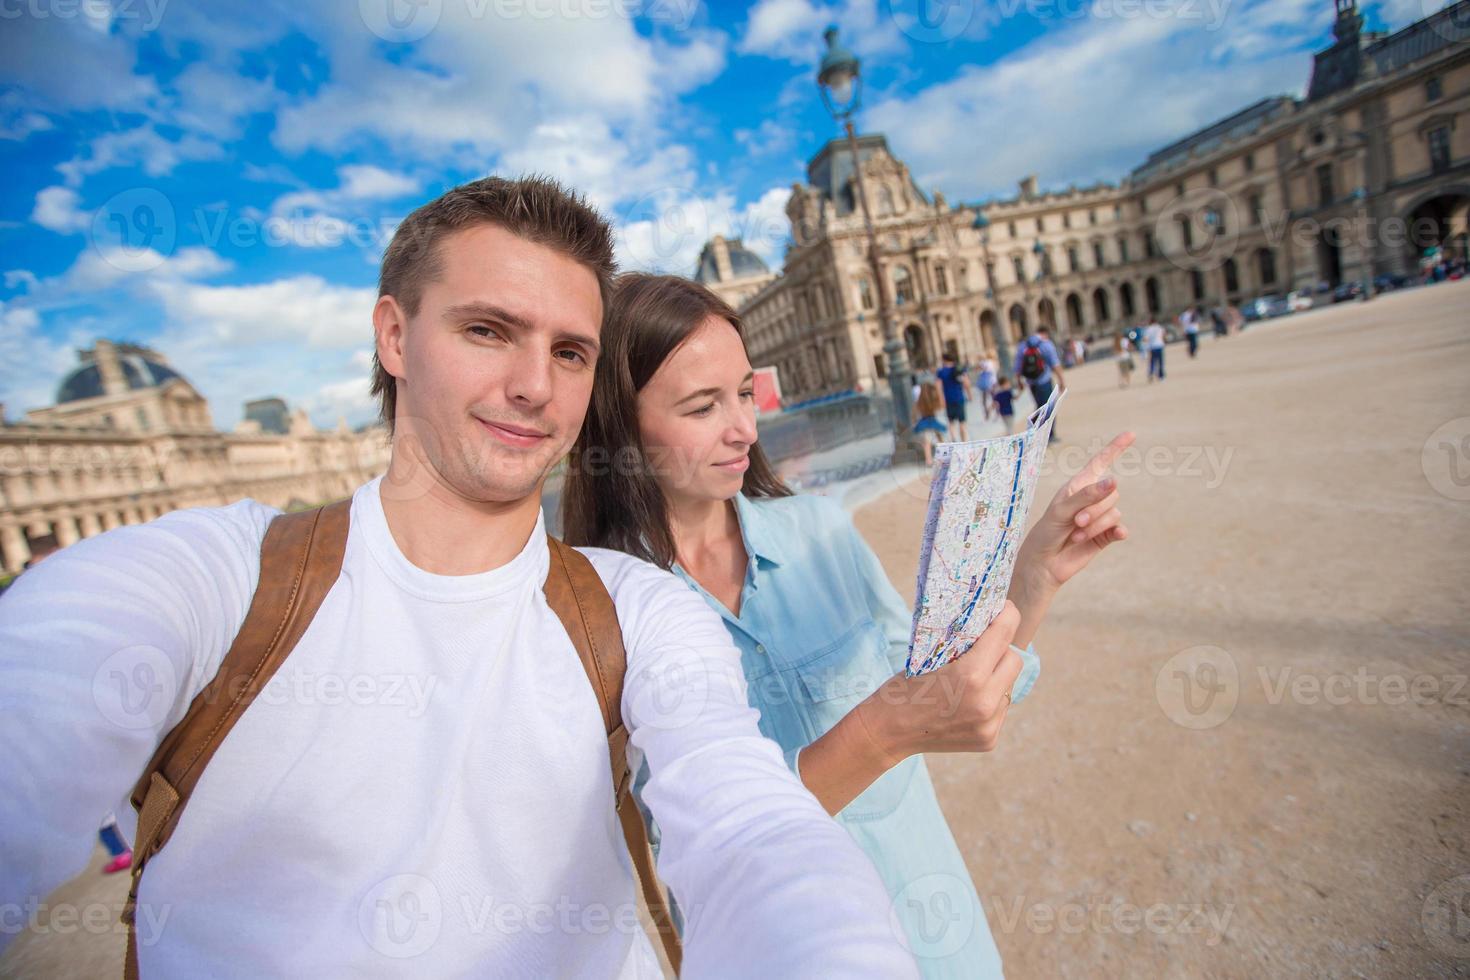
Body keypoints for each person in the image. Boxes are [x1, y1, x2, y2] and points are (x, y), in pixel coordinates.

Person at [0, 177, 918, 976]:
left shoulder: (637, 609)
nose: (535, 385)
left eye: (570, 352)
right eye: (488, 330)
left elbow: (750, 829)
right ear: (394, 337)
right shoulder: (212, 584)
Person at [561, 273, 1135, 978]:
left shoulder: (821, 531)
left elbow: (945, 686)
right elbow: (697, 848)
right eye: (702, 406)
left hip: (934, 932)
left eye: (744, 392)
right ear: (619, 428)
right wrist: (884, 729)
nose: (745, 427)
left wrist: (1035, 573)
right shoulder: (600, 614)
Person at [1014, 326, 1065, 443]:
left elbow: (1017, 368)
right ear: (1045, 333)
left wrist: (1019, 383)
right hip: (1044, 380)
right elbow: (1055, 364)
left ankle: (1036, 434)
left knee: (1038, 407)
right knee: (1049, 408)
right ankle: (1049, 435)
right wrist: (1061, 380)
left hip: (1031, 383)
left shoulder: (1023, 345)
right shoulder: (1046, 344)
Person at [935, 353, 971, 441]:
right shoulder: (959, 369)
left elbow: (938, 387)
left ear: (944, 360)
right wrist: (970, 395)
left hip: (948, 399)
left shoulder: (941, 371)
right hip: (959, 398)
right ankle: (964, 441)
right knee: (962, 422)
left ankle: (954, 440)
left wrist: (941, 399)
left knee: (951, 422)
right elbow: (967, 383)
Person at [912, 380, 948, 466]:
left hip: (924, 423)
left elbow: (914, 414)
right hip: (935, 422)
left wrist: (914, 422)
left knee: (926, 442)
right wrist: (939, 391)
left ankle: (928, 460)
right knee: (940, 439)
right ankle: (944, 456)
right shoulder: (934, 400)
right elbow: (942, 405)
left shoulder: (919, 402)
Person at [1144, 316, 1167, 382]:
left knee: (1152, 362)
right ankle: (1161, 376)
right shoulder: (1159, 327)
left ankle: (1151, 373)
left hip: (1152, 347)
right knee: (1160, 362)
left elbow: (1145, 339)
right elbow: (1163, 335)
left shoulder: (1148, 329)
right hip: (1159, 345)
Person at [976, 353, 998, 421]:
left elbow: (978, 369)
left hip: (986, 384)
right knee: (994, 399)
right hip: (993, 383)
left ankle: (988, 413)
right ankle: (995, 413)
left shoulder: (985, 362)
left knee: (985, 400)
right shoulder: (992, 362)